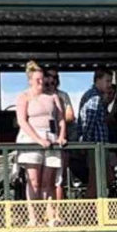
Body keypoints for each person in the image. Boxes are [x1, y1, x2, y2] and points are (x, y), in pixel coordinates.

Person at [16, 61, 67, 216]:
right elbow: (22, 121)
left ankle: (50, 215)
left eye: (42, 78)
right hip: (31, 139)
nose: (40, 82)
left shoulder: (53, 96)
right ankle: (34, 216)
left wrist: (61, 136)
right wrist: (38, 139)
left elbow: (61, 119)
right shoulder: (24, 97)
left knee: (49, 182)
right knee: (33, 181)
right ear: (30, 80)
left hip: (51, 138)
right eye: (37, 79)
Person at [77, 69, 116, 195]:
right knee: (95, 182)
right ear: (98, 80)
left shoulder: (95, 96)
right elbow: (89, 123)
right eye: (107, 81)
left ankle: (95, 209)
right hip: (96, 145)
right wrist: (86, 144)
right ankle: (91, 212)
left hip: (99, 145)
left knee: (106, 179)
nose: (109, 84)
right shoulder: (94, 98)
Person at [46, 67, 76, 200]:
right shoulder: (38, 95)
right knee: (44, 180)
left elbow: (71, 115)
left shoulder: (63, 95)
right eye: (49, 76)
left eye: (55, 77)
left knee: (60, 178)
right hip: (44, 141)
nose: (52, 80)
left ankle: (59, 212)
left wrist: (59, 118)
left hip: (62, 141)